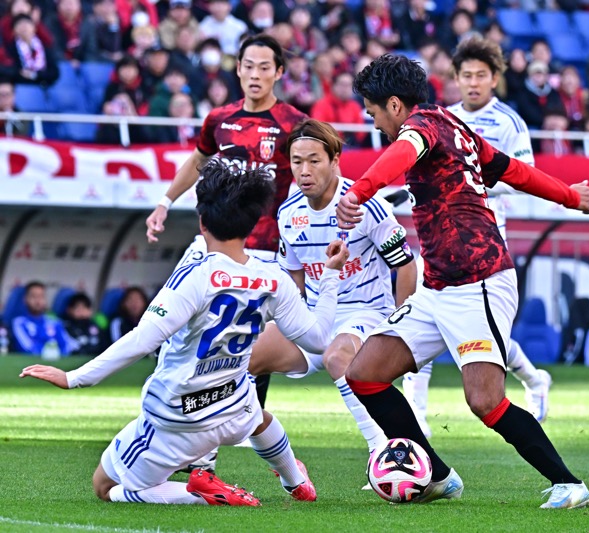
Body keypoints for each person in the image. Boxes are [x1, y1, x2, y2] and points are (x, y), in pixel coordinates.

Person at [337, 54, 589, 509]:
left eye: (373, 111)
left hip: (479, 280)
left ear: (394, 105)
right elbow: (514, 171)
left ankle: (569, 484)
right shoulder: (454, 127)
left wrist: (358, 191)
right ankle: (436, 476)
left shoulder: (422, 128)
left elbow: (403, 152)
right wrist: (570, 195)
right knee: (365, 374)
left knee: (485, 400)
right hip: (437, 286)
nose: (374, 122)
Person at [19, 158, 350, 505]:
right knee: (258, 417)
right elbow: (318, 340)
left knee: (104, 487)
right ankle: (296, 482)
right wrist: (330, 276)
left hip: (179, 416)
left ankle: (202, 495)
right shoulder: (274, 278)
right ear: (251, 225)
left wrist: (74, 378)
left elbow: (143, 338)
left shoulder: (196, 275)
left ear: (202, 222)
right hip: (232, 401)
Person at [145, 33, 308, 418]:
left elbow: (314, 174)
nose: (255, 74)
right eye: (248, 66)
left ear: (278, 73)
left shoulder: (295, 123)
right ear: (237, 69)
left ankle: (248, 418)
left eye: (264, 67)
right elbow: (197, 161)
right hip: (213, 242)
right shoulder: (219, 119)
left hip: (264, 246)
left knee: (251, 336)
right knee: (174, 316)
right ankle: (169, 404)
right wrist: (165, 202)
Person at [402, 37, 552, 436]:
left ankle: (534, 379)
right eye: (466, 75)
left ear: (495, 79)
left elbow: (524, 177)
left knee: (485, 338)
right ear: (455, 78)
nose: (472, 82)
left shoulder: (509, 123)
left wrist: (470, 183)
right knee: (422, 317)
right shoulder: (441, 118)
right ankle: (416, 417)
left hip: (485, 241)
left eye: (480, 75)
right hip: (438, 238)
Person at [247, 118, 416, 457]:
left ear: (335, 159)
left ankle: (381, 451)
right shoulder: (288, 213)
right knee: (241, 355)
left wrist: (402, 328)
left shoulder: (367, 206)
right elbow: (293, 280)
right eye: (297, 162)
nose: (304, 171)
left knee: (337, 356)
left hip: (367, 314)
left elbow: (406, 267)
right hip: (316, 317)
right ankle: (228, 444)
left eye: (314, 160)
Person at [11, 281, 73, 357]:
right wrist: (49, 352)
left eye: (41, 296)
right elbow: (27, 348)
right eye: (33, 296)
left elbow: (67, 345)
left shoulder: (55, 322)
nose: (38, 301)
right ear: (25, 299)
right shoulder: (19, 322)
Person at [62, 292, 109, 357]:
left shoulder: (95, 326)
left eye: (85, 307)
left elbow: (105, 347)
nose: (82, 311)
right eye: (77, 308)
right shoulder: (64, 327)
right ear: (69, 310)